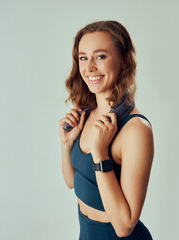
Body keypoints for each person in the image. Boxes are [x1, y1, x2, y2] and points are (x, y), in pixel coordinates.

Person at [59, 20, 154, 240]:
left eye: (100, 56)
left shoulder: (135, 130)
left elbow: (124, 226)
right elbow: (72, 182)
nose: (89, 67)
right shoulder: (86, 114)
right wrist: (66, 146)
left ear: (124, 61)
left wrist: (100, 154)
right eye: (84, 58)